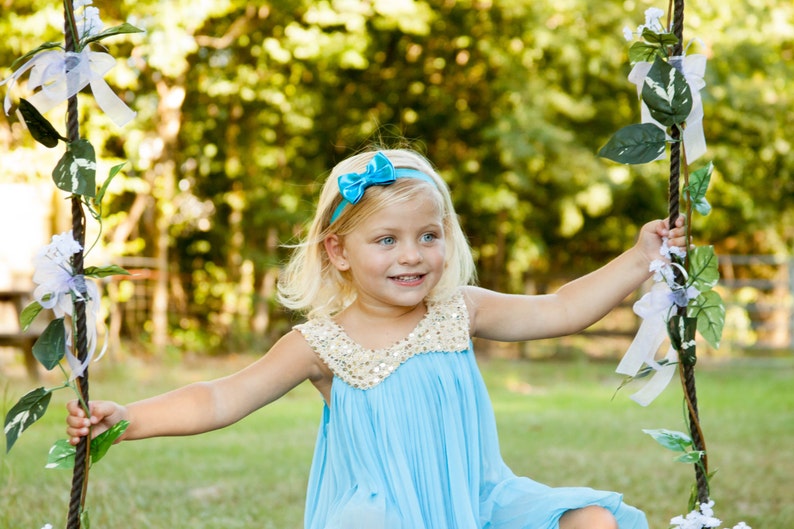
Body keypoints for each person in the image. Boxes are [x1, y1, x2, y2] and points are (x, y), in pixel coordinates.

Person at [67, 148, 686, 529]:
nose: (412, 257)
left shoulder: (458, 311)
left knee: (592, 520)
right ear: (338, 249)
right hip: (385, 515)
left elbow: (562, 307)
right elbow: (220, 398)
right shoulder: (321, 343)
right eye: (386, 240)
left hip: (480, 501)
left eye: (428, 236)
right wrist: (128, 418)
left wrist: (639, 258)